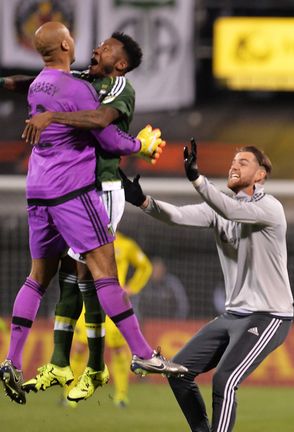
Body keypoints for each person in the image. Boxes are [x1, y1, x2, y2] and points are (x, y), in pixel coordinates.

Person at [0, 22, 184, 405]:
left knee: (42, 278)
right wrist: (141, 145)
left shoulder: (43, 85)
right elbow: (105, 130)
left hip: (37, 191)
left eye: (105, 46)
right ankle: (139, 355)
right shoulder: (81, 87)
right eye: (94, 43)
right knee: (102, 274)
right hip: (77, 190)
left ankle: (16, 360)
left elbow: (26, 82)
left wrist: (12, 88)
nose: (97, 48)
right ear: (67, 44)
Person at [121, 140, 294, 432]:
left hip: (270, 316)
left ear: (261, 174)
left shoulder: (270, 208)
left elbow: (229, 210)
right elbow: (177, 216)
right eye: (233, 161)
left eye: (243, 162)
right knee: (179, 372)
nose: (234, 165)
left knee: (224, 380)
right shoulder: (221, 208)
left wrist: (197, 178)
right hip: (233, 315)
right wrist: (143, 201)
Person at [67, 231, 152, 407]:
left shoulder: (126, 244)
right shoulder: (87, 239)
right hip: (89, 300)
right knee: (79, 347)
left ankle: (121, 396)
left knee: (119, 350)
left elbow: (145, 266)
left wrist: (132, 287)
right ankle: (71, 394)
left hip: (114, 303)